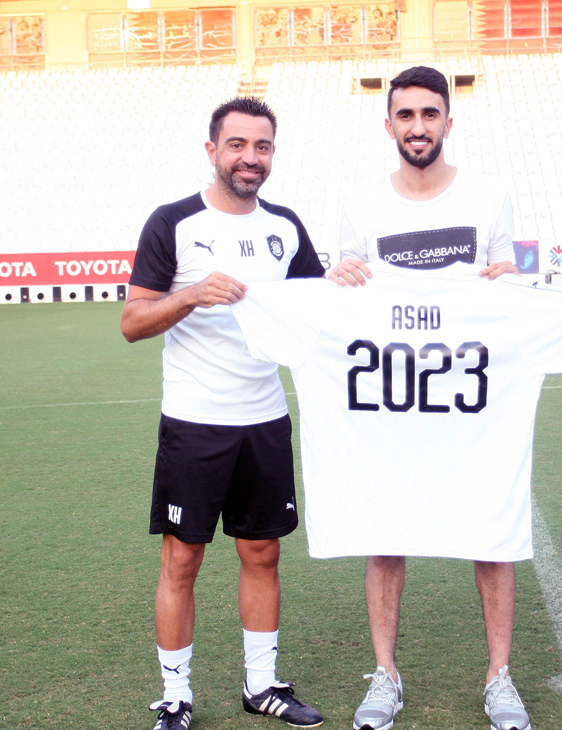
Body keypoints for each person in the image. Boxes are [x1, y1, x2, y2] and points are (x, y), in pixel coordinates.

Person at [329, 66, 530, 730]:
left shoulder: (489, 198)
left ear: (449, 120)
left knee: (492, 533)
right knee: (385, 536)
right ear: (388, 125)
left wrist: (515, 276)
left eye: (429, 114)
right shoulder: (362, 207)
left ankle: (500, 676)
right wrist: (341, 277)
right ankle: (384, 674)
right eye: (406, 115)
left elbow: (515, 283)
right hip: (391, 403)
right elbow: (342, 302)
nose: (418, 126)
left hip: (472, 401)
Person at [120, 97, 324, 730]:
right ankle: (175, 696)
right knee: (182, 558)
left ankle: (261, 685)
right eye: (237, 145)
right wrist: (192, 295)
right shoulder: (173, 222)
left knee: (262, 553)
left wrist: (343, 281)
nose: (250, 158)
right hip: (194, 421)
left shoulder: (286, 226)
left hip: (264, 418)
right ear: (212, 151)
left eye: (261, 147)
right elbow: (132, 322)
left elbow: (316, 309)